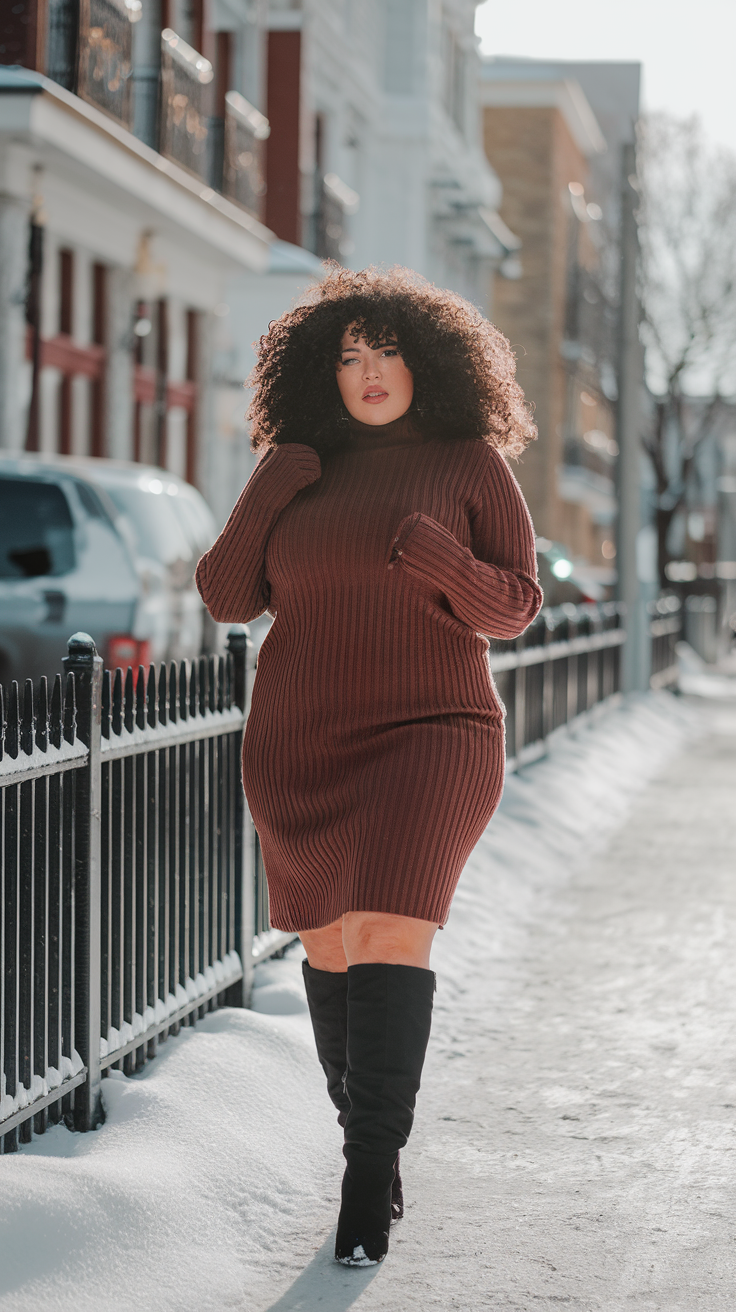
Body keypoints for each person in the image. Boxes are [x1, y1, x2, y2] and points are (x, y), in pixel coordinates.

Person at [195, 266, 543, 1267]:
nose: (369, 372)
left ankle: (359, 1187)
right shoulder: (299, 464)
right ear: (322, 373)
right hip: (302, 740)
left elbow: (514, 607)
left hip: (435, 731)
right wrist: (270, 481)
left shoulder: (468, 460)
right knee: (333, 950)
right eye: (347, 356)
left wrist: (447, 564)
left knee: (393, 924)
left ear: (426, 361)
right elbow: (226, 596)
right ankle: (373, 1152)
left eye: (385, 349)